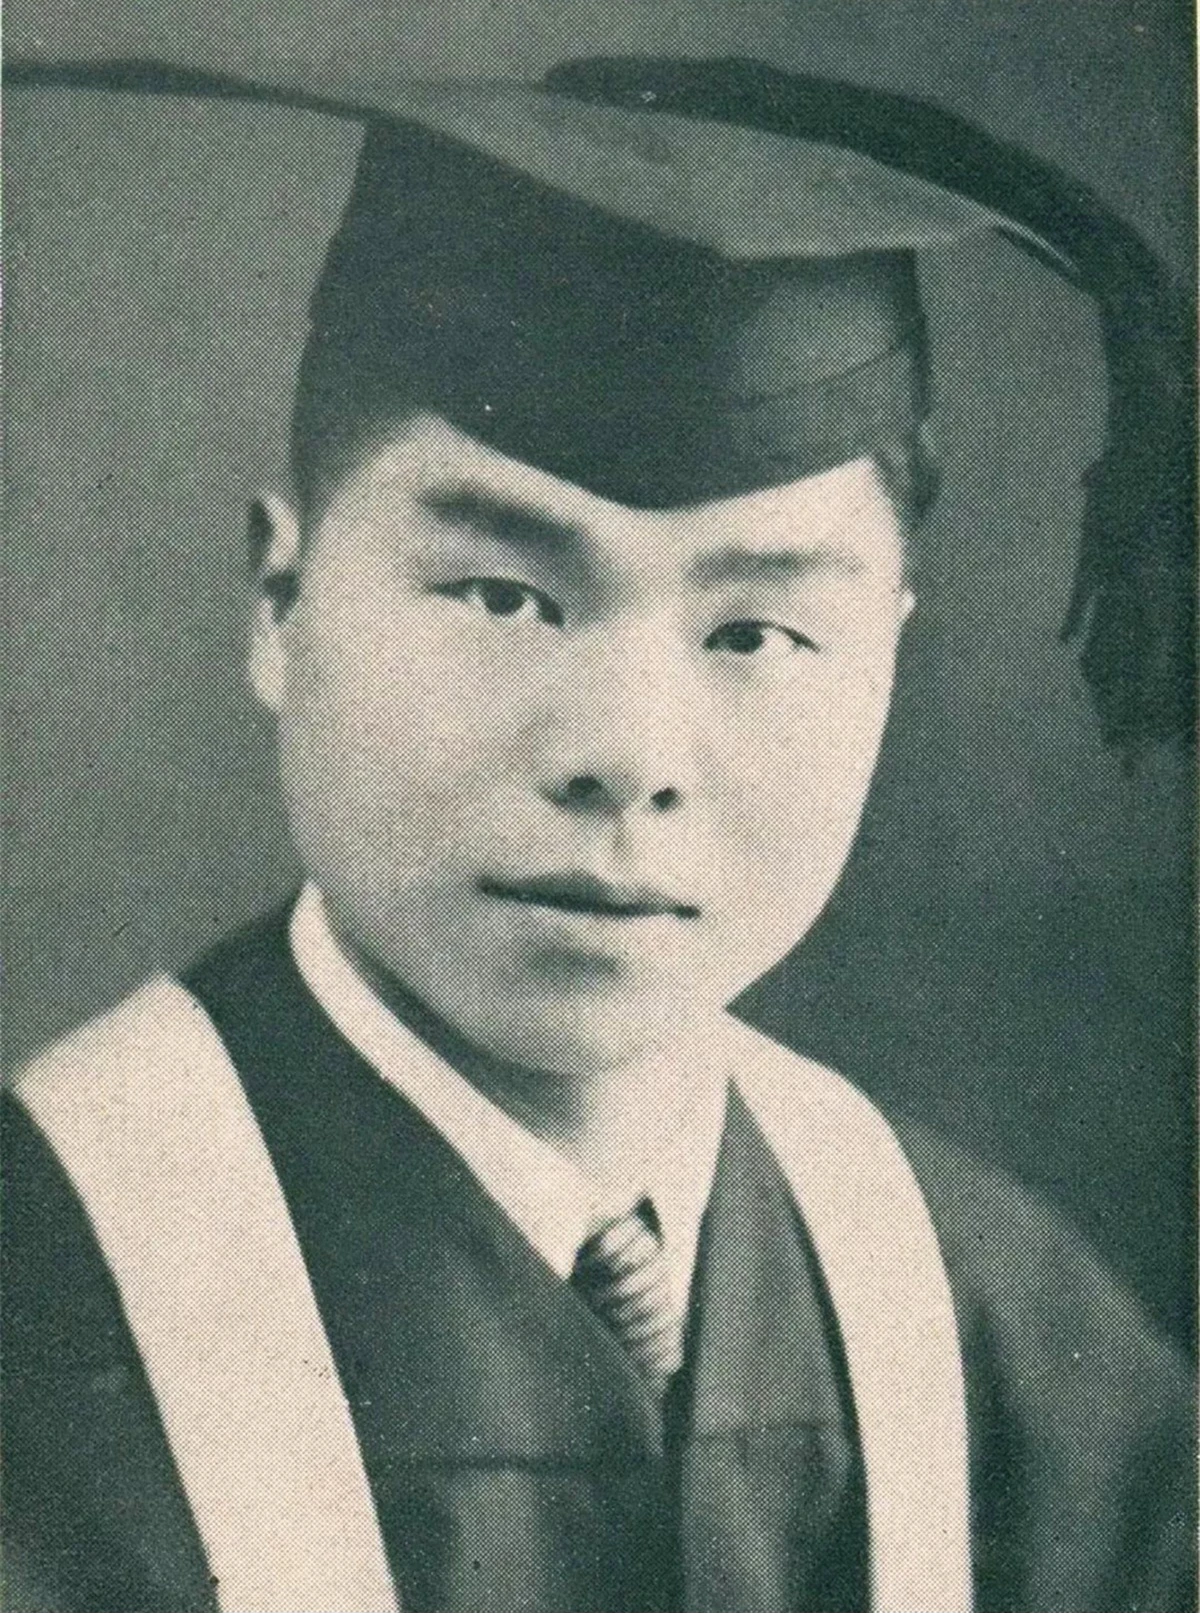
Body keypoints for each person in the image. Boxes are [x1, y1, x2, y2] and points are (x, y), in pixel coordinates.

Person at [2, 51, 1194, 1613]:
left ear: (891, 654)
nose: (627, 759)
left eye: (756, 632)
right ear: (279, 601)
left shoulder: (1021, 1357)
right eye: (506, 596)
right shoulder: (42, 1308)